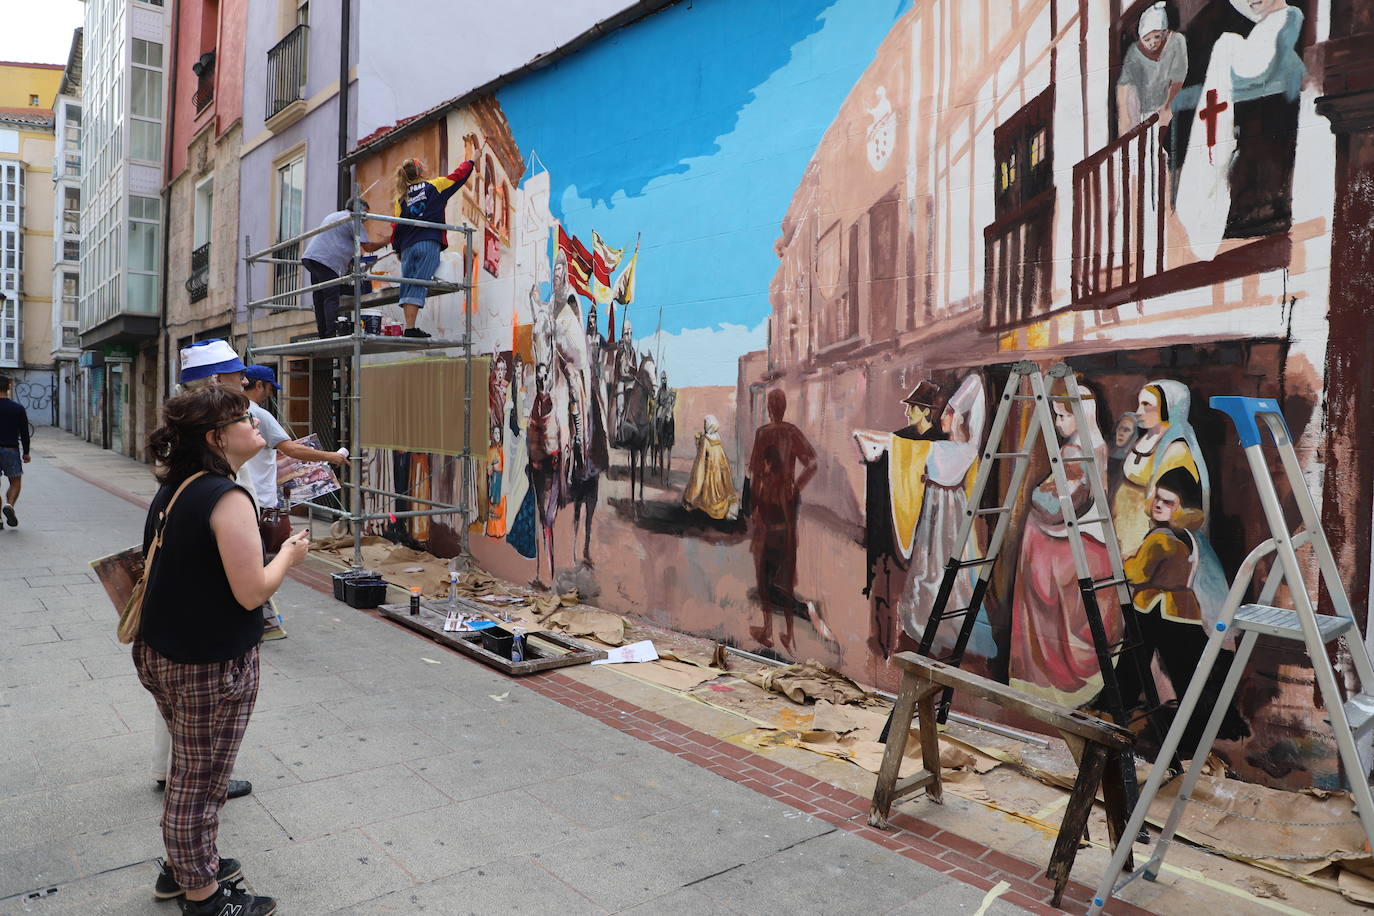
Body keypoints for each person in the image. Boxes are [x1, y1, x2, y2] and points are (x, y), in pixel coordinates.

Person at [135, 385, 310, 915]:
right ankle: (203, 896)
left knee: (195, 771)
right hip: (207, 664)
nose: (256, 424)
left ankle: (187, 864)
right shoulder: (227, 497)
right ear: (217, 437)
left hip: (164, 650)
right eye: (244, 418)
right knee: (201, 779)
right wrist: (289, 556)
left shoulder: (180, 485)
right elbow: (253, 590)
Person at [1112, 467, 1249, 755]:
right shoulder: (1190, 537)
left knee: (1174, 669)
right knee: (1175, 668)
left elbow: (1138, 573)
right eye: (1158, 499)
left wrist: (1125, 558)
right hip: (1180, 612)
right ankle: (1123, 703)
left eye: (1169, 502)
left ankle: (1183, 736)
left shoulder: (1162, 538)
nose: (1159, 505)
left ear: (1183, 509)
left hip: (1164, 612)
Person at [1009, 387, 1123, 706]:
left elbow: (1062, 502)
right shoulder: (1095, 443)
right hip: (1092, 532)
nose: (1058, 422)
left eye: (1063, 415)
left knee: (1045, 592)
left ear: (1080, 415)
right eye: (1056, 415)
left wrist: (1036, 496)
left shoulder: (1075, 451)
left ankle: (1050, 671)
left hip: (1066, 536)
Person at [241, 364, 347, 639]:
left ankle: (261, 619)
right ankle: (261, 622)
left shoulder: (228, 411)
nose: (268, 394)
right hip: (260, 501)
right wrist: (330, 457)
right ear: (259, 385)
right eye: (268, 388)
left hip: (239, 498)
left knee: (252, 561)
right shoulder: (259, 415)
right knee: (266, 562)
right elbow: (290, 448)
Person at [855, 380, 946, 658]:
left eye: (913, 409)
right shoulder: (900, 438)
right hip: (892, 528)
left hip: (924, 527)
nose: (907, 414)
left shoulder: (939, 444)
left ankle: (914, 644)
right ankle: (884, 640)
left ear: (926, 412)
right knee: (887, 586)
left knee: (917, 589)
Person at [747, 389, 821, 651]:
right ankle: (788, 632)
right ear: (785, 406)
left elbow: (755, 473)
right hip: (787, 503)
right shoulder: (792, 432)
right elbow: (811, 463)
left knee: (763, 567)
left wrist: (753, 508)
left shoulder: (763, 433)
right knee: (787, 565)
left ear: (769, 408)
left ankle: (767, 627)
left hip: (768, 502)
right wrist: (796, 486)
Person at [390, 157, 475, 337]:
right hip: (427, 241)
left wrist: (398, 249)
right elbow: (458, 176)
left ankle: (409, 327)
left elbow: (396, 226)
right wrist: (472, 160)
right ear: (420, 171)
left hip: (407, 247)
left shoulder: (401, 198)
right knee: (420, 282)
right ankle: (410, 329)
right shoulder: (434, 185)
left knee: (409, 284)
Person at [300, 199, 385, 339]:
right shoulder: (354, 219)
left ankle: (324, 334)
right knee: (331, 296)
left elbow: (336, 243)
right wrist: (387, 240)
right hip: (326, 261)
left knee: (320, 297)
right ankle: (331, 333)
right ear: (360, 210)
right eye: (366, 214)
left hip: (312, 258)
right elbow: (368, 247)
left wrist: (348, 260)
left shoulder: (335, 216)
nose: (365, 219)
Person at [1116, 2, 1187, 134]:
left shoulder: (1176, 42)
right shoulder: (1134, 53)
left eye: (1157, 37)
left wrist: (1167, 106)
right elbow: (1124, 86)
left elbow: (1178, 77)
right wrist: (1125, 119)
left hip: (1170, 104)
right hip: (1144, 109)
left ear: (1164, 33)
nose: (1153, 42)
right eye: (1147, 39)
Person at [682, 415, 737, 520]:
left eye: (705, 424)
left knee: (702, 490)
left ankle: (696, 502)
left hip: (708, 478)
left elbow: (701, 461)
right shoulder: (717, 439)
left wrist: (698, 442)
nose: (704, 426)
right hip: (718, 479)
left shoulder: (705, 440)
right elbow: (723, 464)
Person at [0, 374, 32, 529]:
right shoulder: (17, 408)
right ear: (9, 387)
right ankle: (9, 505)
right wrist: (26, 452)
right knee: (15, 482)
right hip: (11, 450)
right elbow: (24, 433)